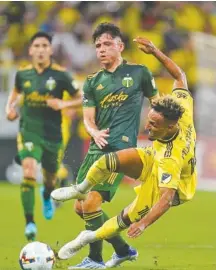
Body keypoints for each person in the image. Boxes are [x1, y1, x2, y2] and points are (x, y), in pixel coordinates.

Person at [52, 37, 197, 268]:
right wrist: (155, 51)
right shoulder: (182, 109)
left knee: (121, 221)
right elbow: (180, 76)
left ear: (170, 127)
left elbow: (167, 200)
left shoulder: (172, 159)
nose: (147, 127)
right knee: (108, 160)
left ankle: (88, 240)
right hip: (154, 158)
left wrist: (144, 224)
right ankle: (79, 188)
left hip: (169, 186)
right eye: (149, 121)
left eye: (154, 125)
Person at [52, 23, 158, 269]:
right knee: (81, 208)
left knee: (90, 203)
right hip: (95, 149)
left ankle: (96, 259)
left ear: (120, 46)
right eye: (98, 45)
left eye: (107, 44)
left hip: (119, 151)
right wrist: (94, 131)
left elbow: (157, 102)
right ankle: (122, 250)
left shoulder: (140, 73)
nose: (101, 49)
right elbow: (88, 117)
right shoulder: (91, 82)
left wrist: (161, 125)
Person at [5, 31, 82, 241]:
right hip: (29, 131)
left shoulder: (61, 75)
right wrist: (9, 109)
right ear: (31, 50)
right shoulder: (23, 74)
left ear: (50, 50)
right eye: (36, 46)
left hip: (53, 134)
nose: (40, 50)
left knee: (50, 177)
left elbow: (81, 97)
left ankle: (47, 194)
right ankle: (29, 222)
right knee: (28, 172)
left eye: (44, 46)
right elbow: (15, 93)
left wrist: (63, 104)